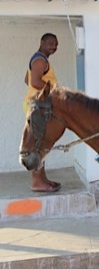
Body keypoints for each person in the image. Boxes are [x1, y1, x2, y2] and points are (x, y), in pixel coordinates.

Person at [23, 33, 62, 193]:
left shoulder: (38, 59)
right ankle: (37, 181)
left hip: (36, 105)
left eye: (56, 45)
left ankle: (42, 179)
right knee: (38, 144)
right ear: (42, 42)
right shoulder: (40, 60)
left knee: (41, 142)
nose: (54, 47)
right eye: (51, 43)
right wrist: (54, 91)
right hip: (37, 107)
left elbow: (27, 80)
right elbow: (35, 82)